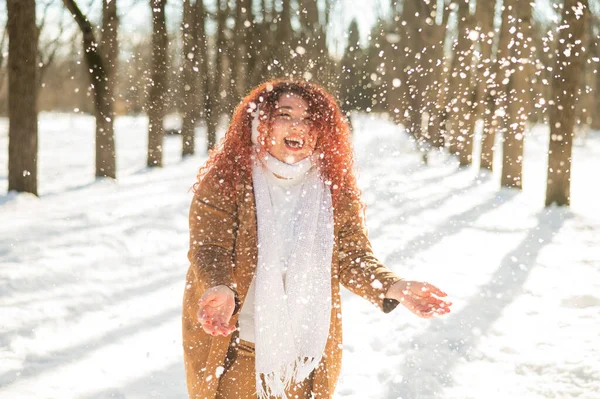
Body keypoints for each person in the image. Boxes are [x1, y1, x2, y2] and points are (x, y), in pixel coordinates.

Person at [182, 79, 452, 399]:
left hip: (304, 356)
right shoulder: (229, 178)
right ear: (260, 121)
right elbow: (209, 244)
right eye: (285, 114)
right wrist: (219, 285)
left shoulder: (331, 186)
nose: (298, 125)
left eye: (309, 118)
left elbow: (351, 255)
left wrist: (394, 286)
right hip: (239, 350)